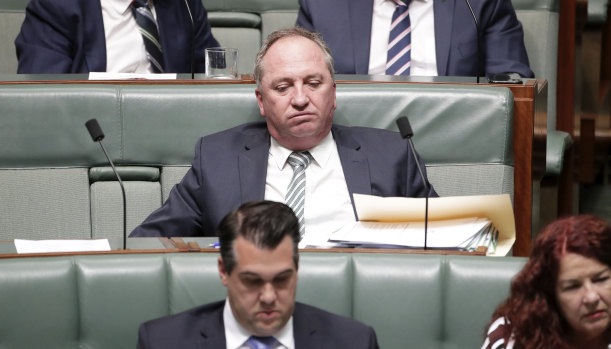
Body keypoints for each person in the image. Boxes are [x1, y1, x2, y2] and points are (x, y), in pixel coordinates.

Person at [129, 27, 436, 241]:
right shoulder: (218, 158)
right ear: (261, 101)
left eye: (313, 83)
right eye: (283, 86)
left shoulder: (392, 154)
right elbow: (150, 241)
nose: (300, 98)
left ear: (334, 93)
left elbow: (449, 235)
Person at [136, 200, 380, 348]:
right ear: (224, 271)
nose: (268, 296)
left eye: (282, 279)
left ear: (297, 268)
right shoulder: (162, 342)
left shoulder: (354, 342)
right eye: (252, 281)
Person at [296, 0, 534, 78]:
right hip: (353, 144)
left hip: (453, 144)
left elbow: (513, 86)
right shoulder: (322, 5)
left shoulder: (477, 3)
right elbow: (298, 79)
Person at [481, 215, 611, 349]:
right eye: (572, 287)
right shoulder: (510, 337)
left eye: (601, 280)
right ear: (550, 296)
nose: (591, 297)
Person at [15, 0, 219, 74]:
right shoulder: (56, 6)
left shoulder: (183, 4)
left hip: (172, 132)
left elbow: (214, 74)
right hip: (92, 140)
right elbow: (43, 92)